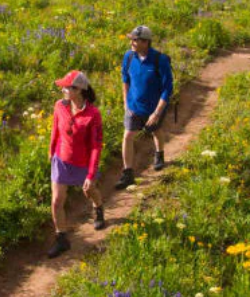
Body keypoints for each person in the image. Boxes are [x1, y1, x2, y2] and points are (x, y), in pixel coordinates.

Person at [47, 70, 105, 258]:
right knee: (56, 200)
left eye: (67, 87)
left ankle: (98, 208)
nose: (63, 89)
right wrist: (51, 152)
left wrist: (90, 175)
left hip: (83, 163)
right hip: (61, 161)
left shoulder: (93, 114)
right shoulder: (59, 106)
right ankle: (61, 238)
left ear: (79, 90)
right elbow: (55, 130)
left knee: (89, 191)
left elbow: (96, 146)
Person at [115, 25, 173, 190]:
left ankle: (159, 154)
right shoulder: (129, 57)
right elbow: (125, 80)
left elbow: (167, 88)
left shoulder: (159, 60)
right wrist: (126, 103)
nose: (132, 42)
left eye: (135, 39)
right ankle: (128, 173)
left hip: (154, 107)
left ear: (146, 42)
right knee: (127, 136)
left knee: (155, 130)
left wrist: (156, 113)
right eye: (132, 39)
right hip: (133, 106)